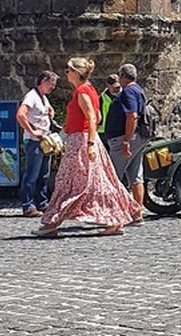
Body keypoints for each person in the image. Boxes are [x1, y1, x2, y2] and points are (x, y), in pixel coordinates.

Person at [34, 57, 141, 237]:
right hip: (86, 139)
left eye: (68, 71)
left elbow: (92, 118)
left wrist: (88, 142)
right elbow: (98, 117)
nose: (66, 74)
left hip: (82, 141)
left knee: (68, 182)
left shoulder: (83, 91)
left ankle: (52, 223)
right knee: (96, 182)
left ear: (76, 73)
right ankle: (114, 220)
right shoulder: (90, 90)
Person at [104, 63, 148, 219]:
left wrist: (126, 142)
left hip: (124, 138)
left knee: (112, 177)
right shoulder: (138, 90)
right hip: (137, 138)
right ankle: (137, 213)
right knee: (136, 176)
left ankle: (113, 216)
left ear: (122, 75)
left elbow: (132, 116)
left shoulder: (128, 91)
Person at [16, 71, 58, 217]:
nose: (53, 87)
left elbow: (45, 110)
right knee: (32, 174)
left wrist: (50, 111)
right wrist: (32, 132)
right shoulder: (32, 97)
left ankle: (42, 202)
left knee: (44, 174)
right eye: (51, 83)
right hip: (34, 141)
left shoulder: (43, 98)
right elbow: (20, 114)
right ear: (43, 81)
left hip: (44, 141)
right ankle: (27, 205)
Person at [98, 74, 121, 146]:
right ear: (108, 86)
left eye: (118, 87)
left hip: (117, 131)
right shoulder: (102, 97)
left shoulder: (122, 96)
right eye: (114, 87)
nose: (117, 89)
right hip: (103, 131)